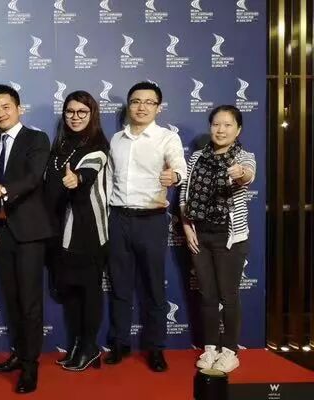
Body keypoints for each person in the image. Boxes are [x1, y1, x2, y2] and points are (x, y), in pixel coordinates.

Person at [105, 81, 187, 372]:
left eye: (149, 102)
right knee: (119, 286)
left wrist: (174, 176)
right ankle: (119, 343)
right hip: (118, 219)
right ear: (129, 105)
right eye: (136, 101)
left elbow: (179, 166)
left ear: (158, 108)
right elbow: (109, 179)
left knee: (154, 287)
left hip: (151, 221)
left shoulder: (167, 138)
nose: (141, 107)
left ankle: (156, 348)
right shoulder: (116, 139)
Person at [0, 85, 53, 393]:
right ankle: (19, 353)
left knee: (30, 302)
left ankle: (30, 367)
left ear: (19, 108)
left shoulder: (36, 139)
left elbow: (33, 178)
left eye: (6, 107)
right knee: (11, 300)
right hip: (2, 232)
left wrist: (3, 190)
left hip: (29, 232)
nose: (0, 114)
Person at [180, 105, 256, 373]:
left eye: (227, 125)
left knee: (229, 295)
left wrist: (240, 174)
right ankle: (211, 347)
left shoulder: (244, 157)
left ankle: (230, 351)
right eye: (216, 124)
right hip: (199, 235)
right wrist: (186, 225)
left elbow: (248, 175)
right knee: (208, 296)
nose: (221, 130)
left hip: (229, 237)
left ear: (238, 129)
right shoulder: (197, 157)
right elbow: (185, 192)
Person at [44, 91, 109, 373]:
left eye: (82, 112)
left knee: (89, 291)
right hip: (60, 231)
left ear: (92, 114)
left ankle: (90, 347)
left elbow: (89, 172)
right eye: (70, 111)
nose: (75, 117)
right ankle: (77, 344)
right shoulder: (59, 146)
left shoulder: (97, 147)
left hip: (87, 232)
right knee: (69, 291)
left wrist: (77, 179)